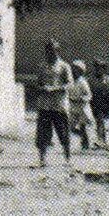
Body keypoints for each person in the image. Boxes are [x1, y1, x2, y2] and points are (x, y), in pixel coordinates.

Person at [33, 39, 73, 167]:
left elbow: (70, 84)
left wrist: (56, 88)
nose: (50, 53)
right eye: (48, 51)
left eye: (52, 51)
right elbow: (38, 83)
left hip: (59, 105)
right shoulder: (42, 66)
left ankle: (67, 158)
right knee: (43, 133)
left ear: (57, 51)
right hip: (45, 104)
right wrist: (41, 88)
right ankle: (42, 159)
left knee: (63, 132)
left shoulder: (64, 66)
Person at [68, 59, 97, 151]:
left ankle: (85, 143)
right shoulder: (70, 81)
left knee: (83, 125)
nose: (73, 71)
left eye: (75, 69)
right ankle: (85, 137)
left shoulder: (82, 82)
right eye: (72, 69)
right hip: (73, 106)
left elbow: (88, 95)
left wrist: (82, 98)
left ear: (80, 71)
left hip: (82, 107)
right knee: (71, 127)